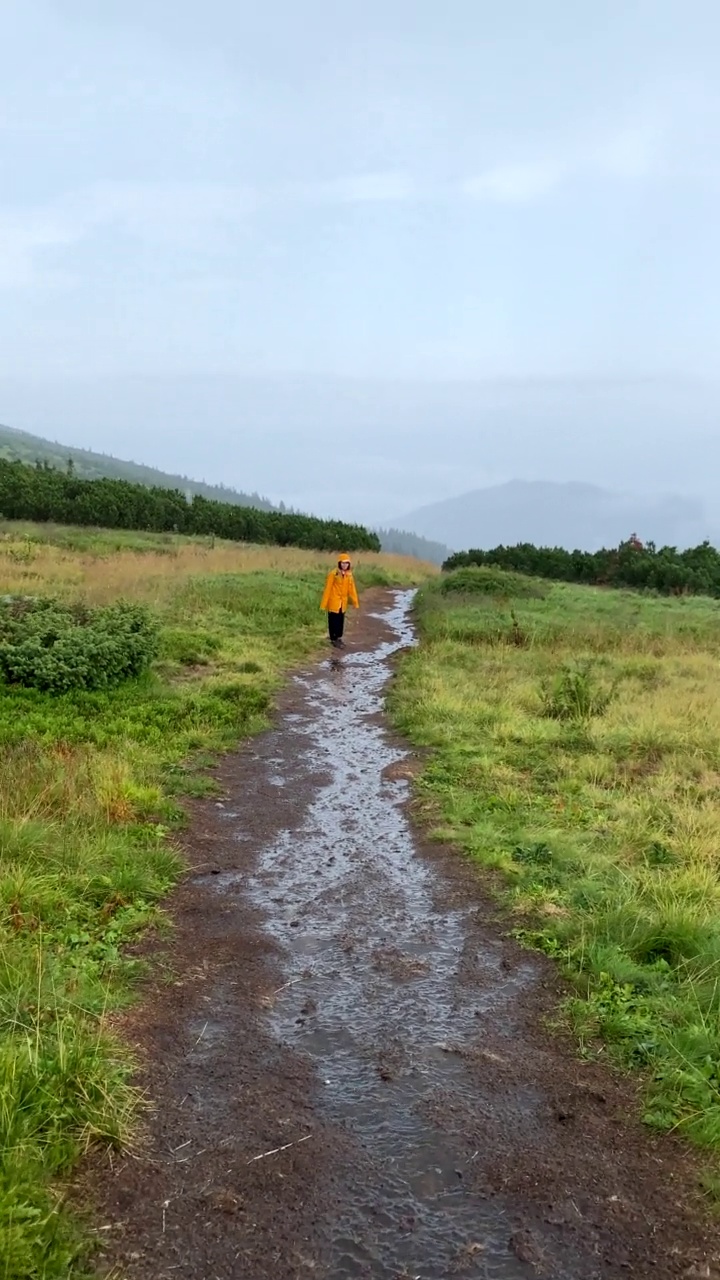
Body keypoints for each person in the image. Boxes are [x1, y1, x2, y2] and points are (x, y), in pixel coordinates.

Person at [320, 553, 359, 648]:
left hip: (343, 602)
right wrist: (323, 604)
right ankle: (333, 638)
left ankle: (338, 637)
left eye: (346, 563)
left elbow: (352, 590)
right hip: (334, 601)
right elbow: (327, 589)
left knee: (340, 620)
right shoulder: (333, 574)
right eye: (343, 563)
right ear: (339, 563)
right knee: (333, 620)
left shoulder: (349, 575)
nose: (344, 565)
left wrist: (355, 602)